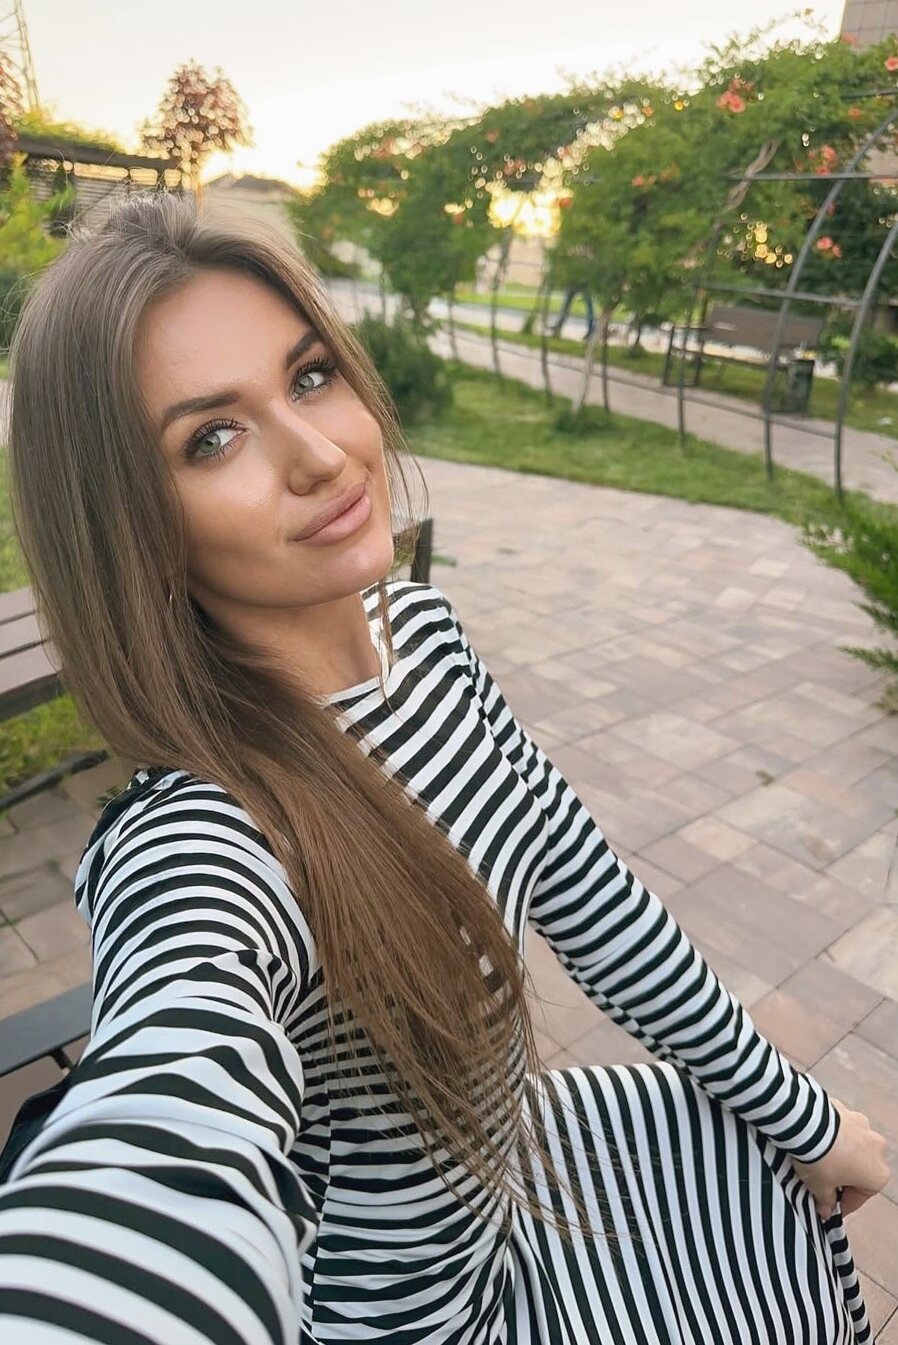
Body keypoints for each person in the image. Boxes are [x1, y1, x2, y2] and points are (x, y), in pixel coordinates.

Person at [0, 193, 888, 1345]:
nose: (322, 455)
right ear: (129, 522)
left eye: (310, 374)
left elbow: (587, 890)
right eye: (210, 438)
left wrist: (797, 1112)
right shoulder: (209, 837)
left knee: (768, 1181)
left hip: (516, 1179)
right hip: (418, 1316)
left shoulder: (422, 633)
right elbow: (169, 1105)